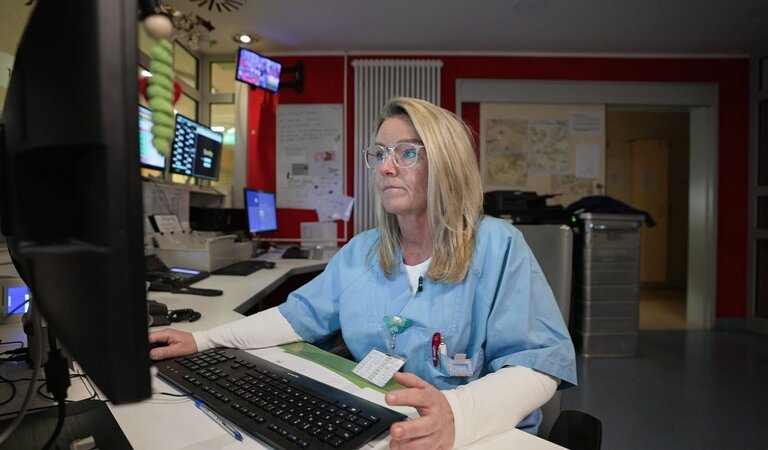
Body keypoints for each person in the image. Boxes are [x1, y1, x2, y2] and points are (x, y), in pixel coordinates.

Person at [150, 97, 577, 449]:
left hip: (475, 433)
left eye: (408, 152)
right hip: (378, 426)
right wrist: (202, 340)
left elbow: (538, 366)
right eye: (380, 153)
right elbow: (294, 316)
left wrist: (458, 414)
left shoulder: (497, 246)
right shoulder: (363, 252)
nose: (386, 167)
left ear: (448, 164)